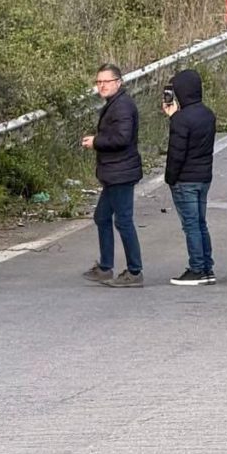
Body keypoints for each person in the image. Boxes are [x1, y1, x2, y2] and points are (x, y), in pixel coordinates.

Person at [81, 63, 144, 288]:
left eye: (106, 82)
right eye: (98, 82)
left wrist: (96, 142)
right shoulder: (114, 104)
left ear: (118, 82)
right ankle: (106, 267)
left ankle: (135, 271)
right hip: (114, 172)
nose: (102, 86)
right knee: (101, 217)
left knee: (124, 221)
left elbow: (122, 138)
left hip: (121, 172)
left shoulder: (123, 106)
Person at [162, 69, 218, 286]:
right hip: (204, 176)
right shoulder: (207, 114)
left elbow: (177, 153)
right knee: (200, 223)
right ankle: (206, 267)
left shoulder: (181, 120)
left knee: (191, 225)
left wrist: (170, 178)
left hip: (185, 178)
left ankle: (196, 268)